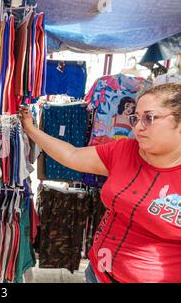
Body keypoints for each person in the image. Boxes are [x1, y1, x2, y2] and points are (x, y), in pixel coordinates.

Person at [20, 83, 181, 283]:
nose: (138, 127)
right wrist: (31, 129)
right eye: (136, 118)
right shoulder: (124, 150)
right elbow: (72, 155)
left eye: (149, 118)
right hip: (97, 272)